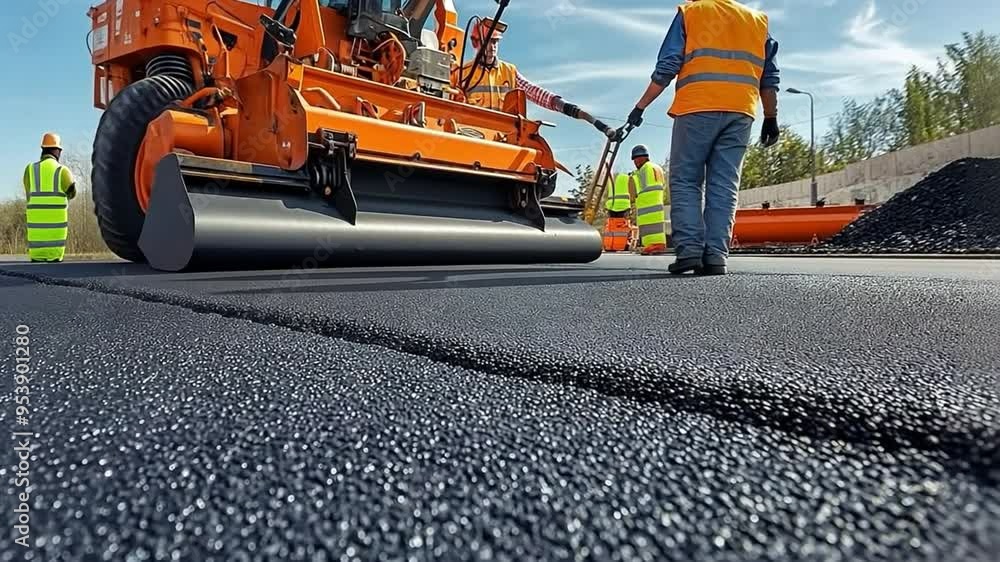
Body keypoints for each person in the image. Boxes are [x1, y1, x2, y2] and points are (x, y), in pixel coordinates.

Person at [625, 0, 781, 275]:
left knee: (686, 180)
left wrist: (640, 106)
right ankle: (716, 256)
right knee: (724, 183)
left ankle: (690, 252)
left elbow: (667, 66)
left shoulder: (691, 12)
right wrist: (771, 117)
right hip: (741, 111)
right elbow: (769, 78)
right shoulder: (758, 21)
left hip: (697, 107)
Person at [452, 19, 614, 137]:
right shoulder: (461, 74)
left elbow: (534, 92)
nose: (492, 47)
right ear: (475, 43)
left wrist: (565, 106)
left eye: (495, 42)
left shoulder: (509, 71)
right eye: (488, 42)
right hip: (472, 137)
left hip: (503, 139)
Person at [23, 132, 76, 263]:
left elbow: (28, 192)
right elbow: (72, 193)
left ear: (43, 149)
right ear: (57, 151)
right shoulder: (62, 171)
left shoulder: (30, 170)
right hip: (55, 251)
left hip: (35, 250)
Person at [627, 145, 668, 255]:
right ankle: (657, 245)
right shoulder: (657, 168)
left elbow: (634, 190)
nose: (635, 163)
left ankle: (653, 245)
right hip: (656, 205)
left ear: (640, 158)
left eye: (635, 160)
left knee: (650, 227)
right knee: (656, 227)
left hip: (647, 206)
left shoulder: (644, 170)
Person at [602, 172, 633, 252]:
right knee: (621, 227)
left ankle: (610, 246)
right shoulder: (627, 177)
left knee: (612, 227)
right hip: (623, 205)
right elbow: (634, 192)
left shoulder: (611, 178)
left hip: (611, 206)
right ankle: (622, 246)